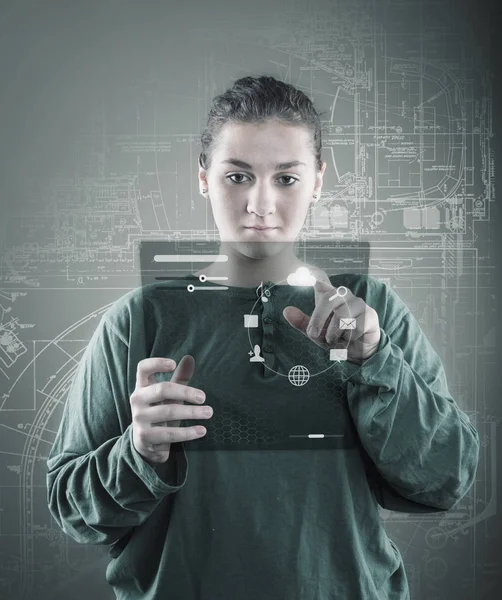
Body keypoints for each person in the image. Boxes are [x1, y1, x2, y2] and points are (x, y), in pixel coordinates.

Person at [46, 75, 480, 599]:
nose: (260, 204)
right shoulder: (140, 320)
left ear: (318, 180)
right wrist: (139, 453)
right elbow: (72, 509)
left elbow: (444, 480)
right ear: (203, 177)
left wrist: (376, 359)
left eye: (287, 179)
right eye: (238, 176)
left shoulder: (371, 311)